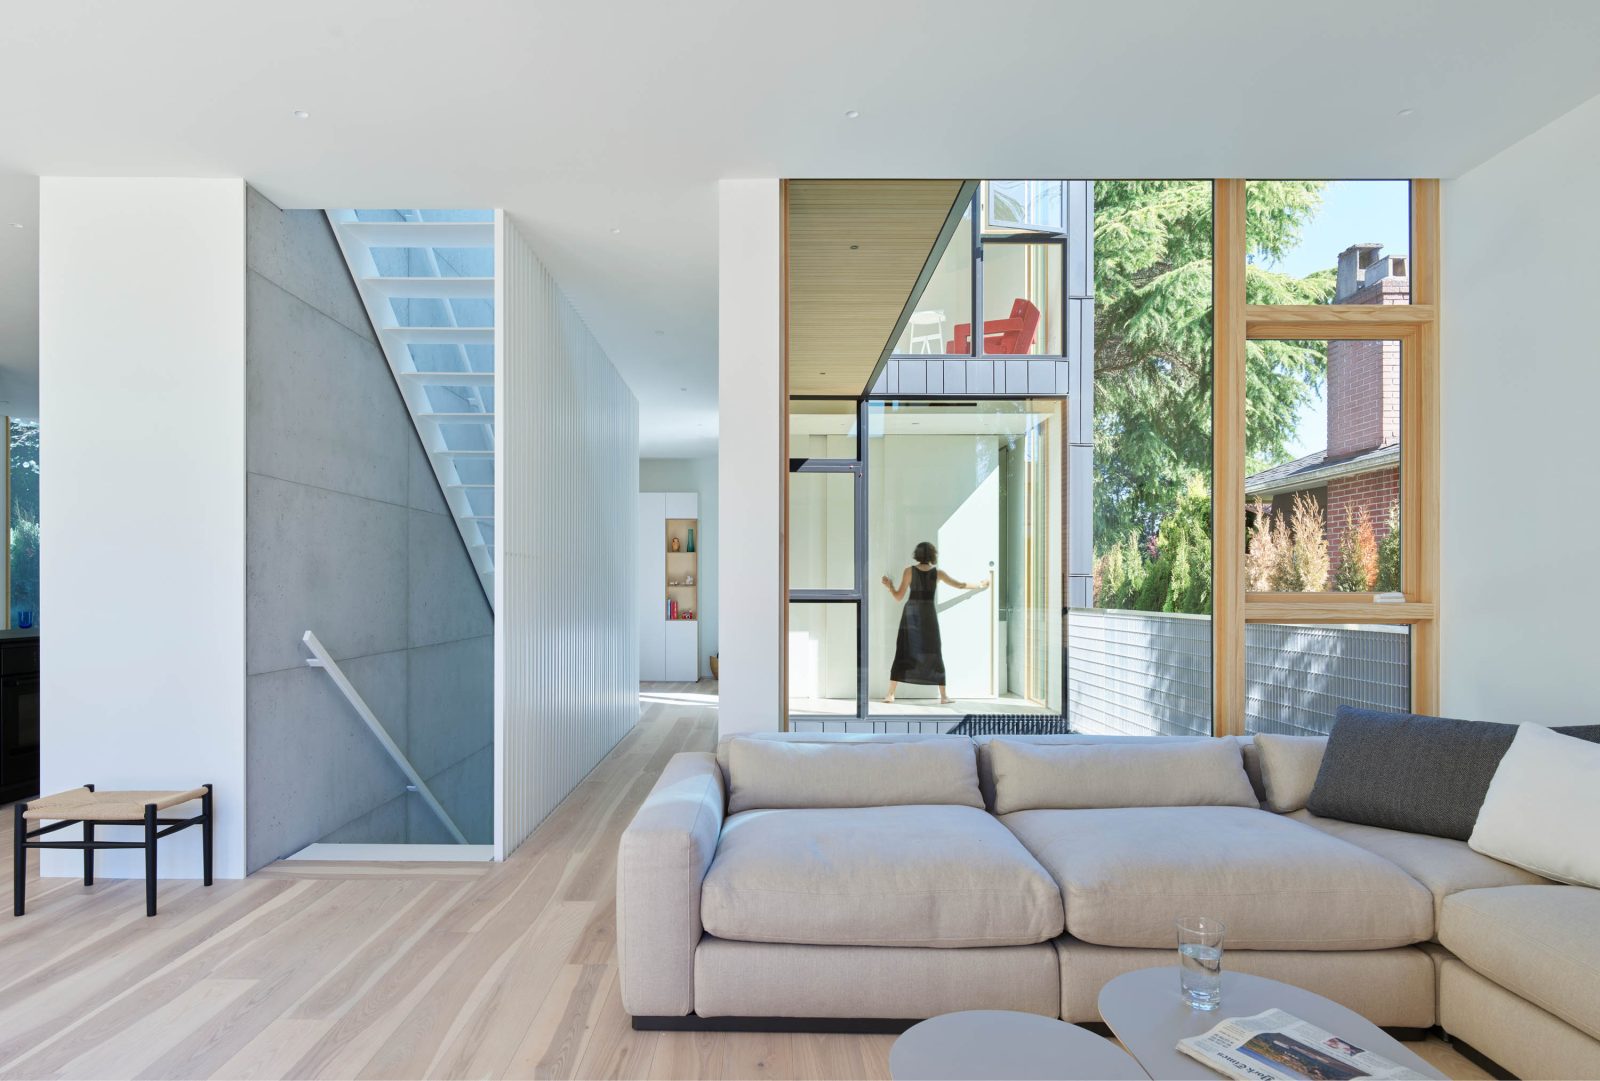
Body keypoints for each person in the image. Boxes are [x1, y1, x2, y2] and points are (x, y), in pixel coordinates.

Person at [880, 541, 990, 705]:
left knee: (903, 651)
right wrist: (980, 584)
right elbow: (960, 585)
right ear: (932, 555)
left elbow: (898, 597)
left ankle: (890, 694)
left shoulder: (909, 571)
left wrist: (890, 586)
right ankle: (944, 697)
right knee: (934, 652)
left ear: (917, 554)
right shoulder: (938, 574)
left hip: (910, 614)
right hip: (928, 615)